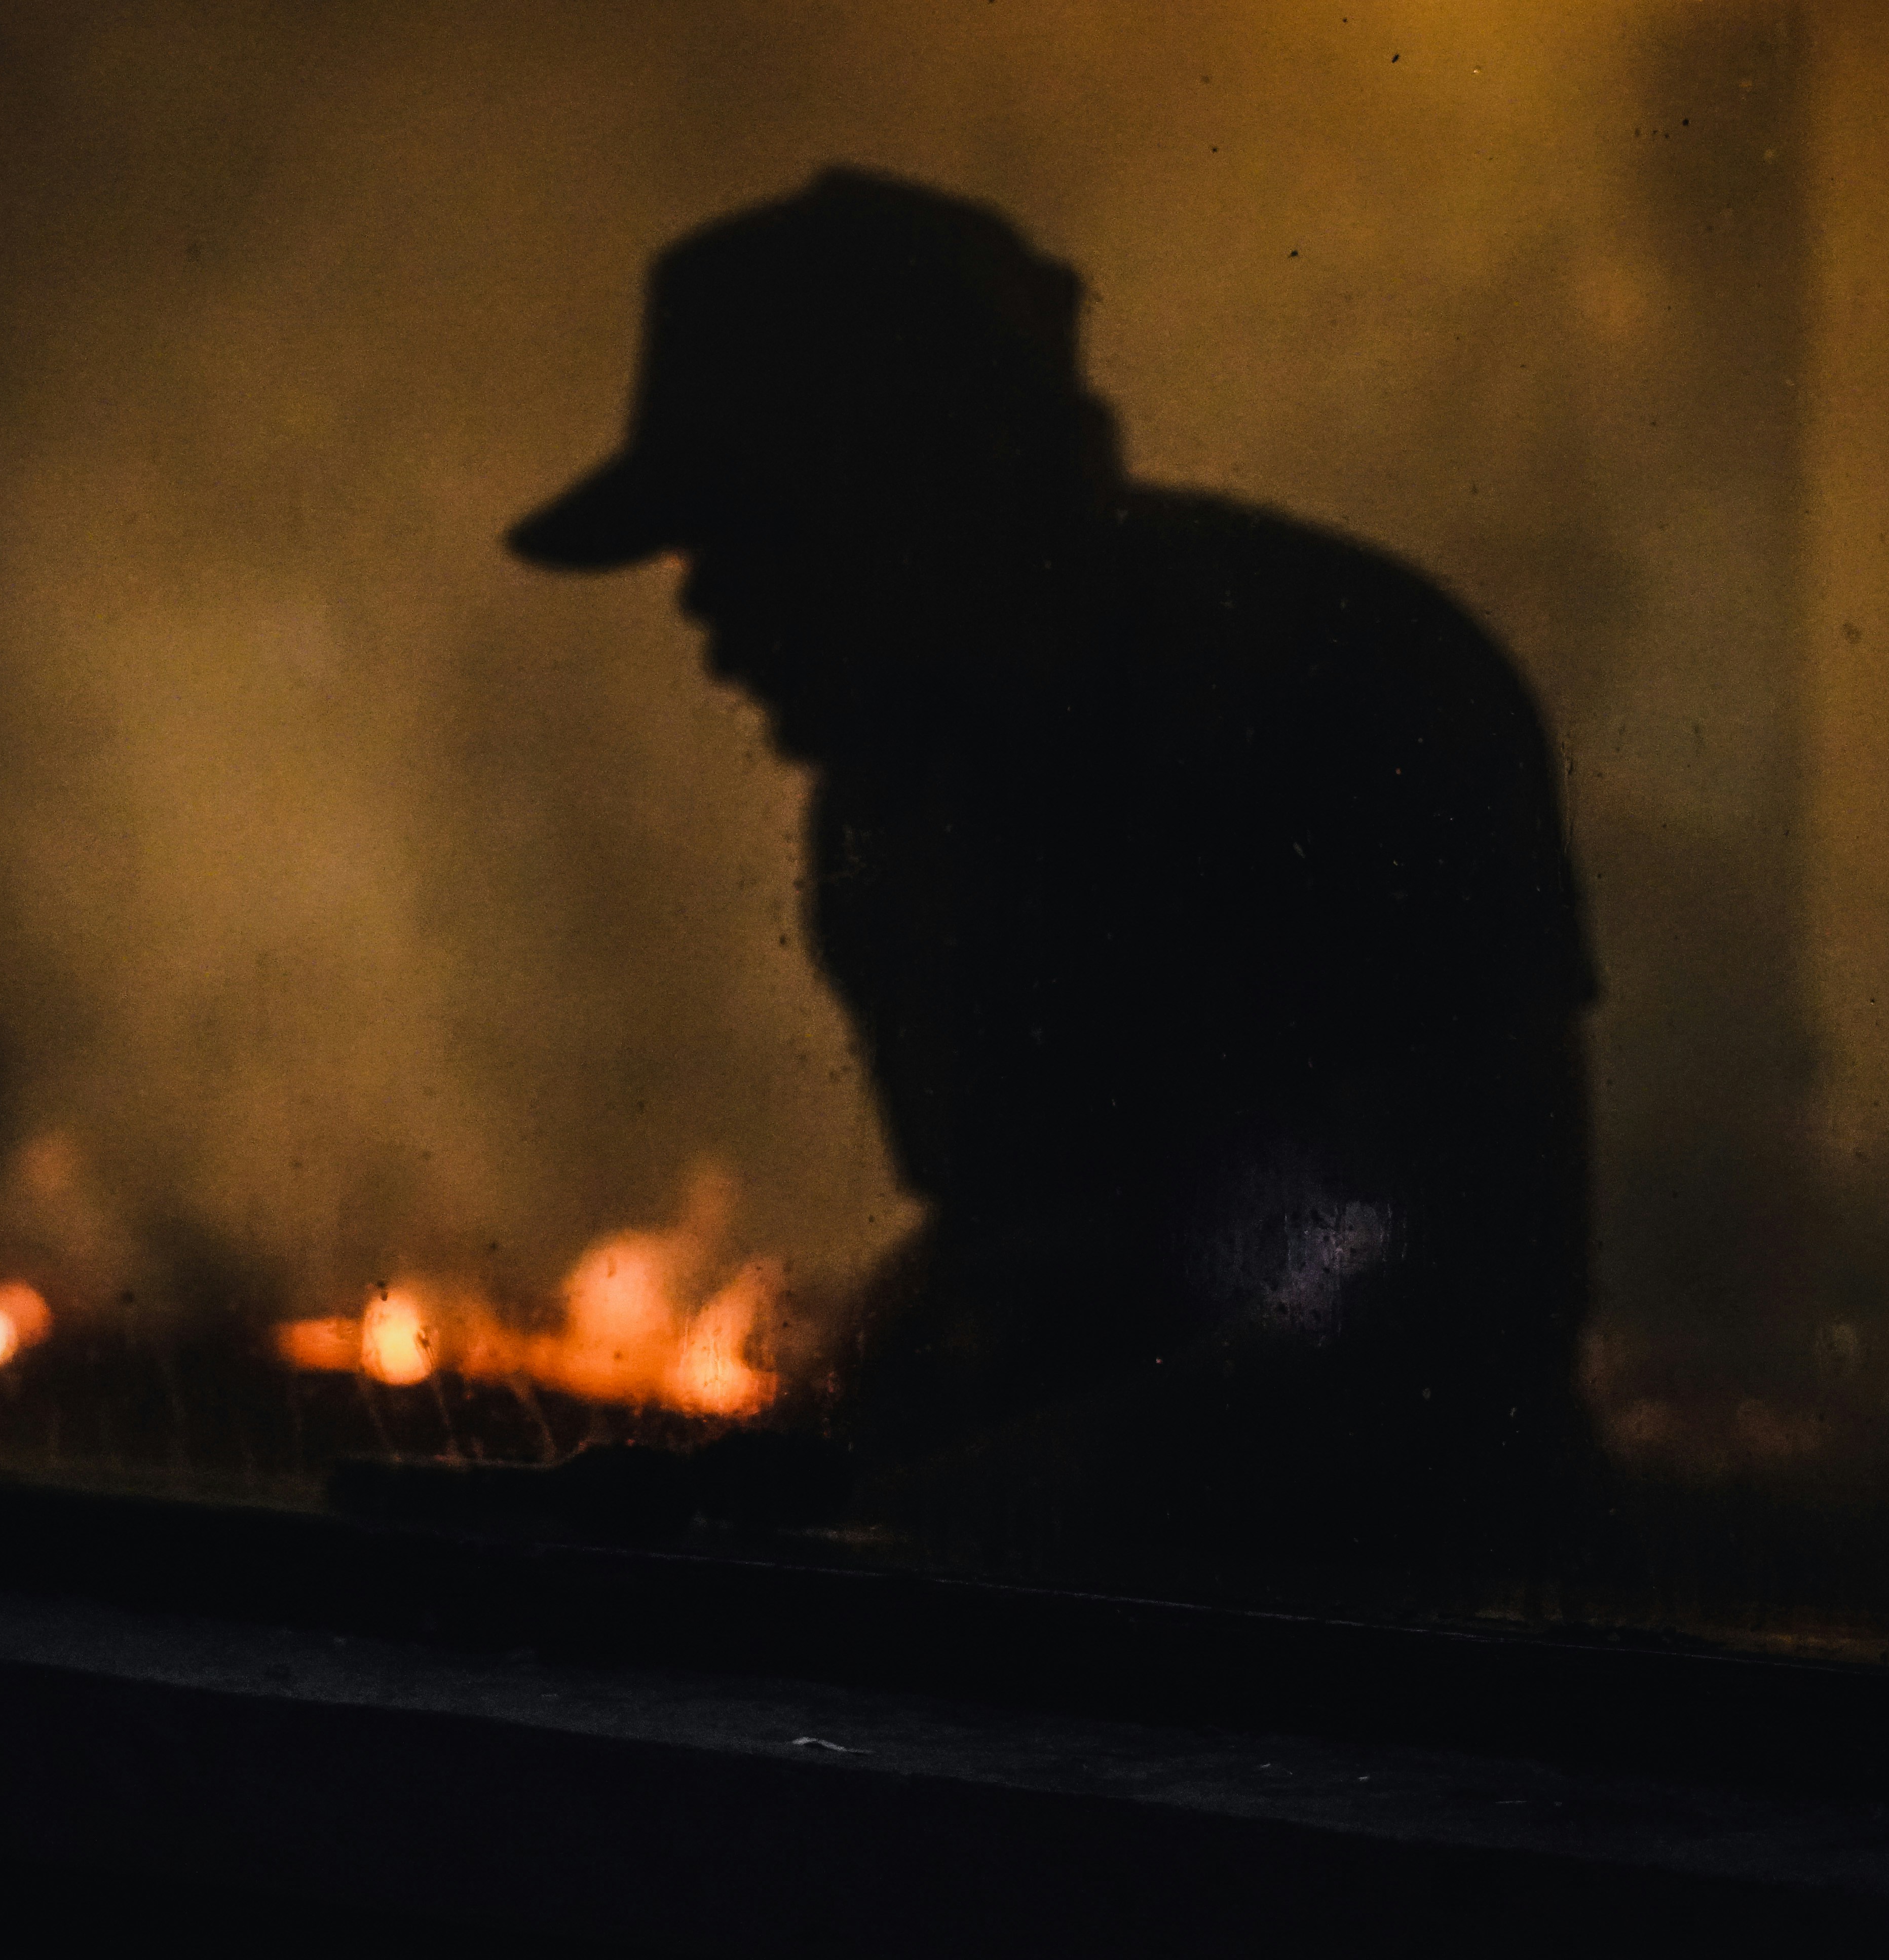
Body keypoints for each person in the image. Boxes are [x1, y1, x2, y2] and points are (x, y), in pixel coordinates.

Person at [507, 169, 1598, 1557]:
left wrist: (942, 1513)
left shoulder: (1355, 694)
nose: (708, 620)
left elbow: (1462, 1310)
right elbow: (1022, 1240)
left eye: (743, 535)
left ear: (920, 490)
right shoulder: (888, 804)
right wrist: (786, 1463)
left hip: (1390, 1653)